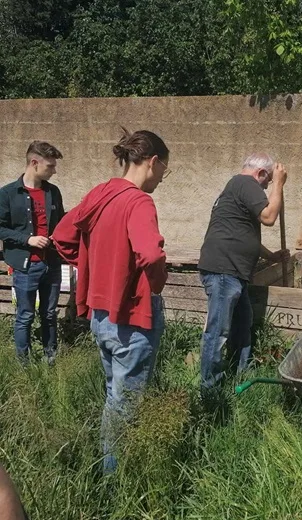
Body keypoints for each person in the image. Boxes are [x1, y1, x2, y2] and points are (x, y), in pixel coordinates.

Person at [51, 128, 170, 474]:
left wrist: (93, 266)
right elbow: (149, 253)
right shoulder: (139, 201)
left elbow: (62, 235)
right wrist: (158, 284)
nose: (162, 178)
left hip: (100, 316)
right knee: (124, 406)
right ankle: (113, 481)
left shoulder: (100, 194)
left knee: (113, 396)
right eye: (164, 169)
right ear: (153, 162)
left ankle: (108, 465)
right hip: (132, 321)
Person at [197, 153, 288, 391]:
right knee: (218, 331)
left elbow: (243, 234)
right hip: (224, 271)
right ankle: (210, 391)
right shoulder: (246, 184)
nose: (267, 187)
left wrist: (271, 256)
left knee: (242, 323)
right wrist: (278, 183)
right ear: (260, 174)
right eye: (266, 182)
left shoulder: (236, 188)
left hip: (232, 272)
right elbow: (268, 217)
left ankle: (242, 376)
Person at [0, 141, 65, 365]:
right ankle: (23, 363)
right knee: (25, 316)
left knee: (49, 314)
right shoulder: (8, 193)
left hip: (52, 264)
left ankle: (50, 358)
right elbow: (1, 227)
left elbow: (62, 224)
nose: (54, 170)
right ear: (34, 163)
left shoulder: (53, 192)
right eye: (50, 166)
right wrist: (28, 239)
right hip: (26, 266)